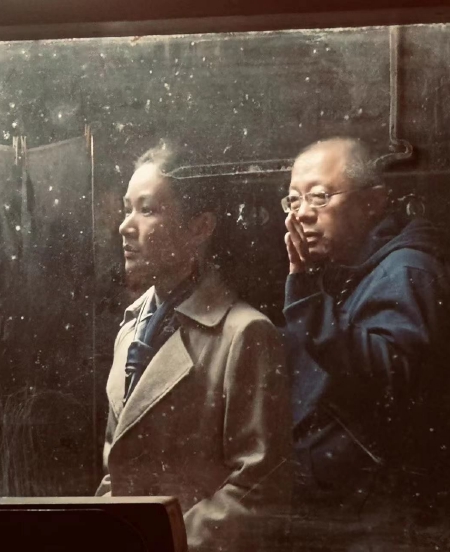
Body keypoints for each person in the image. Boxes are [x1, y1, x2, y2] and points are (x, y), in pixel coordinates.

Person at [281, 137, 450, 545]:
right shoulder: (353, 270)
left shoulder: (407, 270)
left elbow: (387, 376)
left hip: (382, 520)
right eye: (293, 200)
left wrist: (304, 292)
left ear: (373, 202)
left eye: (319, 197)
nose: (302, 213)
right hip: (347, 508)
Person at [96, 143, 291, 552]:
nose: (125, 226)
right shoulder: (130, 330)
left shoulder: (245, 334)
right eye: (127, 209)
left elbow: (258, 490)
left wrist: (159, 541)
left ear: (200, 228)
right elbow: (117, 472)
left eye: (148, 210)